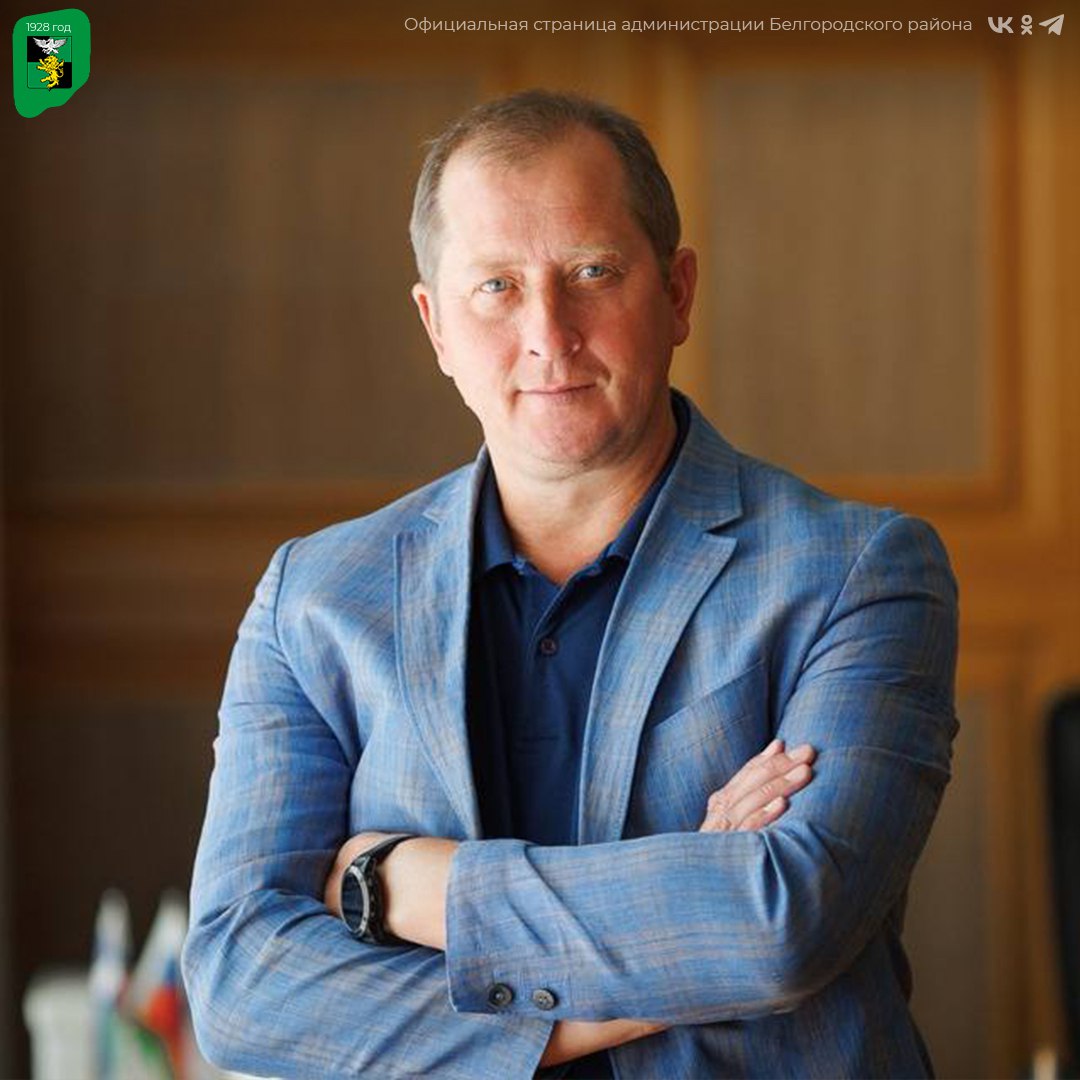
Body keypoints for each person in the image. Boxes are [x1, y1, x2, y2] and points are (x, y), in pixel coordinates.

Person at [183, 90, 959, 1078]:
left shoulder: (860, 572)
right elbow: (241, 983)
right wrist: (673, 938)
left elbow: (782, 924)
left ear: (677, 293)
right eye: (496, 287)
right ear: (435, 326)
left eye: (593, 272)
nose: (548, 333)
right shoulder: (315, 600)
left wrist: (400, 886)